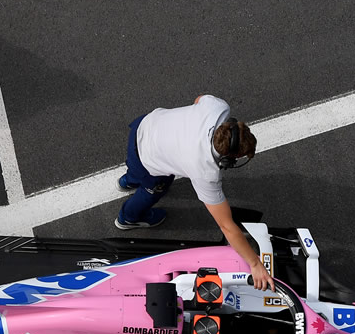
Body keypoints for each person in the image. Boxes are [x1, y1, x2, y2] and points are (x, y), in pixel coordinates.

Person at [116, 95, 275, 291]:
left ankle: (128, 180)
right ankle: (128, 218)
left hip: (144, 124)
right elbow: (226, 226)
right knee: (154, 189)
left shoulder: (218, 108)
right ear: (228, 158)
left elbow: (199, 99)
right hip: (147, 159)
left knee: (136, 170)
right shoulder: (205, 172)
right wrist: (255, 264)